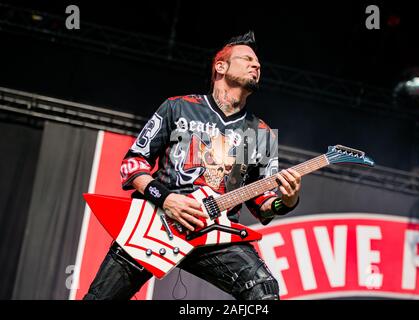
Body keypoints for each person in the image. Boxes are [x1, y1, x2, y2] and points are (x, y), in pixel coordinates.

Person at [83, 31, 301, 300]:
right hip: (155, 224)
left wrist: (287, 202)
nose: (256, 66)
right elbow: (133, 164)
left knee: (264, 291)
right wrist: (166, 199)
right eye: (247, 59)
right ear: (220, 66)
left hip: (216, 234)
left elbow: (263, 205)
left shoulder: (263, 134)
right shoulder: (177, 107)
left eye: (258, 64)